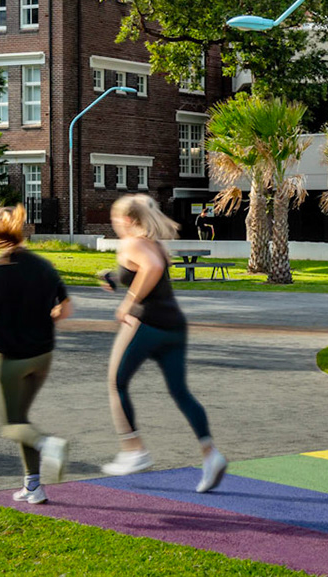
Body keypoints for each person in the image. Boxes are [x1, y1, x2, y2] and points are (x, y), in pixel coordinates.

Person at [97, 193, 227, 491]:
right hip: (174, 327)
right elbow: (148, 270)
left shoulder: (132, 243)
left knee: (117, 384)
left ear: (127, 220)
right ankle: (211, 454)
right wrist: (114, 278)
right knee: (180, 392)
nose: (113, 223)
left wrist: (128, 302)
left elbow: (152, 269)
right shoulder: (154, 243)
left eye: (114, 218)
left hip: (147, 324)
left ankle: (134, 451)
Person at [0, 203, 72, 504]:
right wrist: (41, 315)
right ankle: (33, 486)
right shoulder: (44, 266)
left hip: (10, 357)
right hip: (42, 355)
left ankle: (48, 445)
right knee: (21, 419)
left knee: (9, 424)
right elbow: (65, 309)